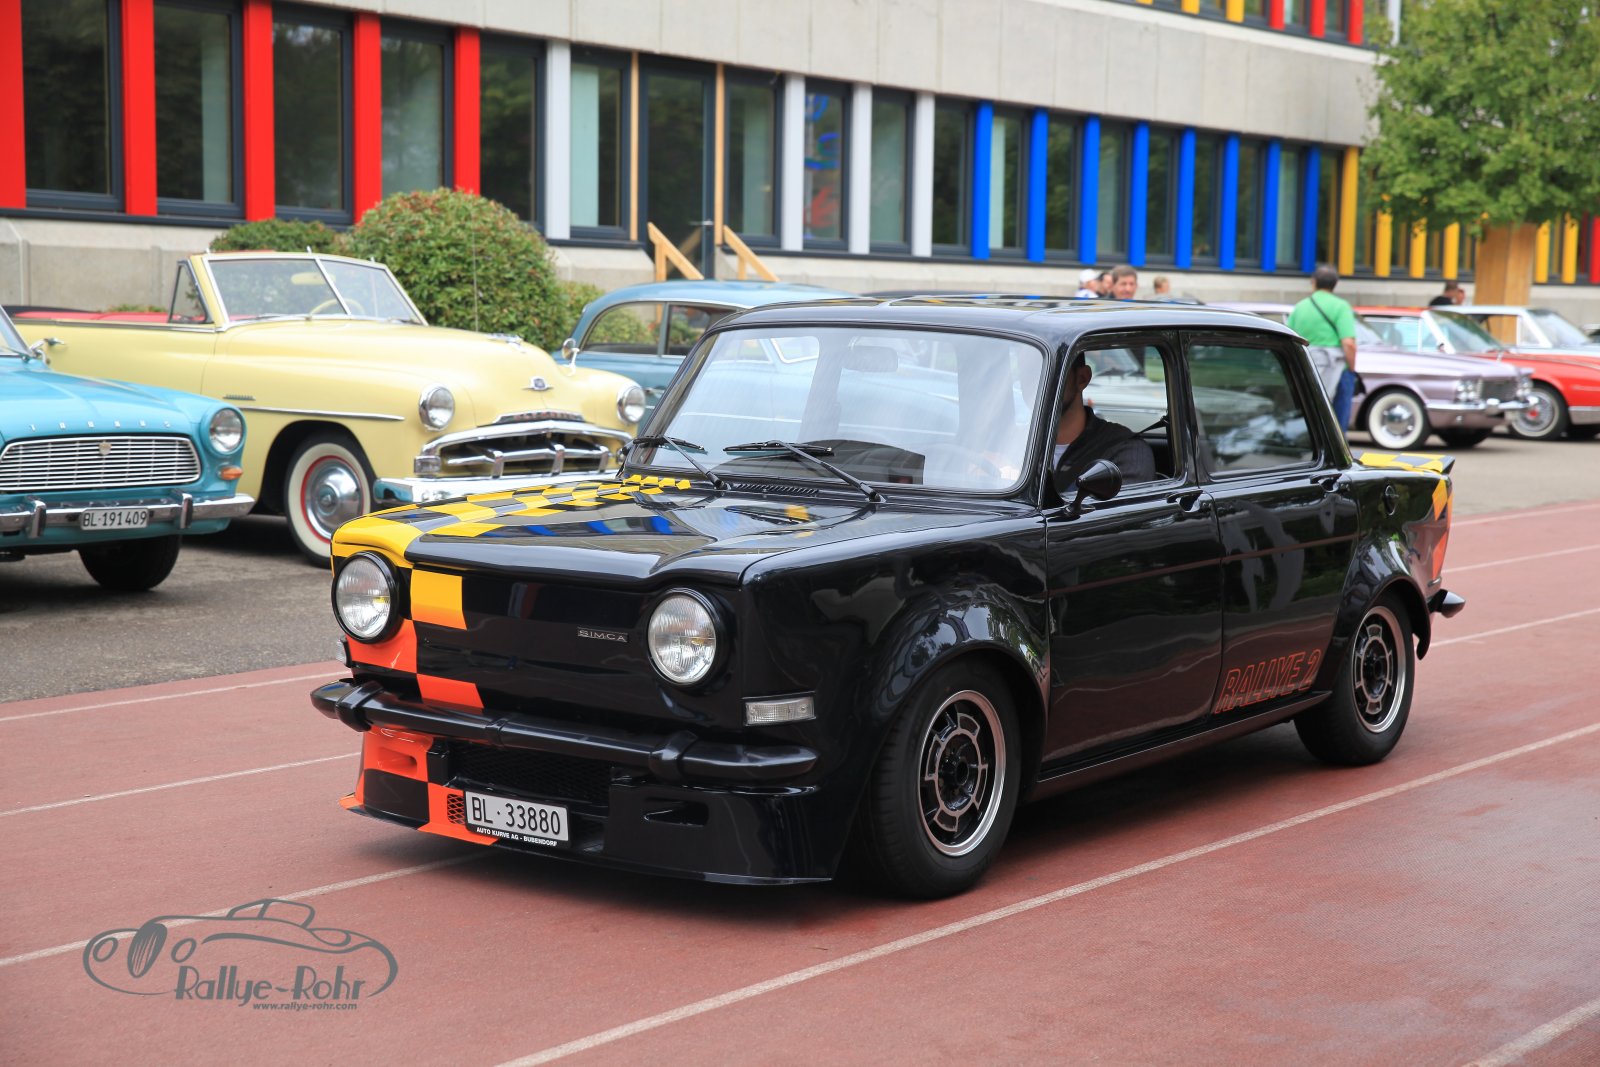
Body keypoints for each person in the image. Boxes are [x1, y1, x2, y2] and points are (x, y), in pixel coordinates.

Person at [1052, 352, 1157, 491]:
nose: (1035, 385)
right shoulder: (1022, 444)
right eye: (1027, 373)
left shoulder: (1126, 452)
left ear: (1082, 378)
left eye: (1050, 375)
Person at [1286, 264, 1358, 432]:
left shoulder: (1300, 307)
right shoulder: (1341, 306)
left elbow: (1290, 338)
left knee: (1309, 416)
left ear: (1314, 282)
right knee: (1337, 423)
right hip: (1337, 370)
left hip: (1307, 367)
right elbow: (1348, 343)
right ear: (1335, 284)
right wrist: (1351, 369)